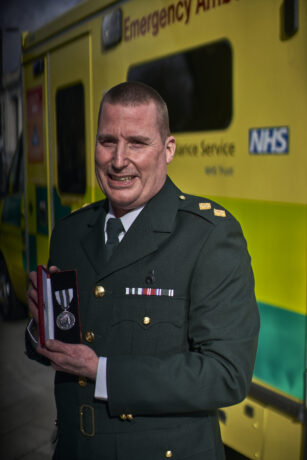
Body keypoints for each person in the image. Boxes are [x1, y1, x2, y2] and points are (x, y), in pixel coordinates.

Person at [26, 81, 259, 460]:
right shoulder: (69, 232)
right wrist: (41, 327)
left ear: (168, 150)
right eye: (107, 141)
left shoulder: (209, 237)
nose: (119, 160)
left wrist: (102, 371)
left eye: (137, 142)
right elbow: (61, 347)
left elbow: (226, 375)